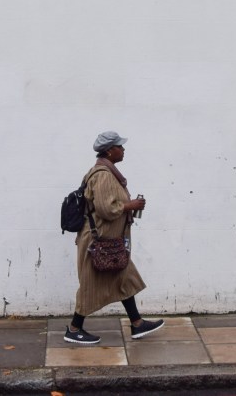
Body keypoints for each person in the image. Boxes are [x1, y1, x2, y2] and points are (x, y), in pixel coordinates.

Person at [64, 130, 164, 344]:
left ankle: (137, 324)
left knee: (124, 277)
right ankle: (74, 329)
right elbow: (105, 209)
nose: (123, 149)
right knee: (89, 285)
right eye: (120, 146)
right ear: (110, 151)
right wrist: (131, 205)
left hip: (110, 243)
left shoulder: (107, 173)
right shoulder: (103, 175)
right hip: (98, 244)